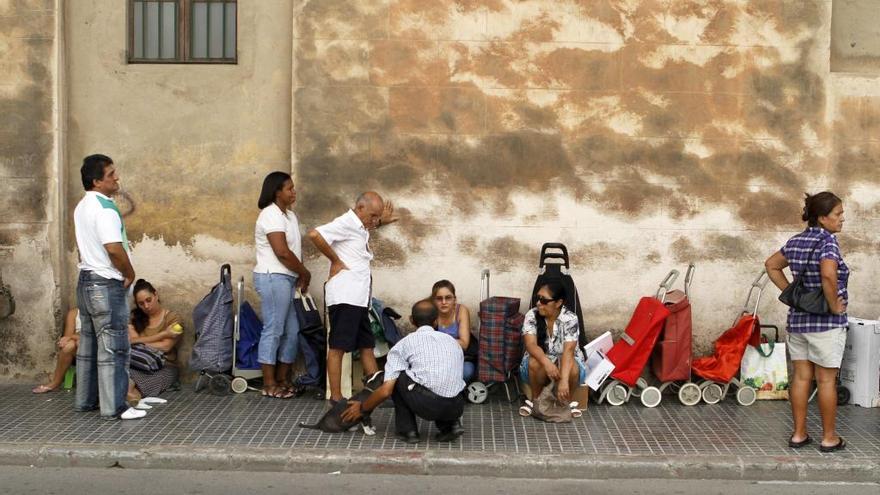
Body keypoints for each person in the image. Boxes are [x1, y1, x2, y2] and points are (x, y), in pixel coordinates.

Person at [765, 191, 849, 453]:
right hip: (825, 324)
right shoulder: (828, 243)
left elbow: (771, 265)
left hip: (798, 322)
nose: (842, 219)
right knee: (825, 381)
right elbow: (827, 275)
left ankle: (799, 434)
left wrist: (792, 296)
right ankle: (828, 438)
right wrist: (834, 304)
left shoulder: (796, 241)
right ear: (823, 218)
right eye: (838, 214)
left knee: (801, 378)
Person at [72, 154, 143, 420]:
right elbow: (114, 247)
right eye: (111, 174)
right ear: (97, 181)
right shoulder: (105, 208)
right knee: (115, 347)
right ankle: (116, 406)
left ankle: (86, 401)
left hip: (86, 280)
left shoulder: (82, 206)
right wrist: (130, 272)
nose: (117, 178)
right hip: (106, 282)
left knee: (88, 347)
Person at [307, 192, 395, 403]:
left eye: (377, 217)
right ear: (360, 208)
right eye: (373, 215)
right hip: (346, 297)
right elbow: (314, 234)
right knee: (338, 347)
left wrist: (380, 221)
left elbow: (366, 227)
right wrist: (335, 261)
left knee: (366, 345)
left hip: (359, 298)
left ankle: (378, 395)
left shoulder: (360, 225)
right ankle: (336, 398)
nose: (374, 221)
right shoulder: (346, 222)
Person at [341, 299, 466, 443]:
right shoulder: (453, 342)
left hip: (428, 405)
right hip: (457, 405)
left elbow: (386, 391)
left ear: (412, 320)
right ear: (436, 320)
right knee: (440, 380)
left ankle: (408, 431)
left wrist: (362, 408)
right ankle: (451, 426)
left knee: (397, 376)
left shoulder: (403, 344)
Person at [254, 172, 311, 399]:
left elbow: (294, 251)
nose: (294, 192)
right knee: (274, 329)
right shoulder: (270, 214)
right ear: (277, 192)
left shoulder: (289, 216)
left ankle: (282, 378)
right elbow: (282, 252)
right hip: (272, 277)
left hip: (286, 277)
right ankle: (268, 383)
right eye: (289, 188)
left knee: (292, 331)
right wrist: (304, 272)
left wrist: (300, 274)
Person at [518, 280, 586, 418]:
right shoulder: (532, 315)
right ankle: (536, 401)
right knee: (534, 361)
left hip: (566, 363)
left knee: (572, 366)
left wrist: (564, 381)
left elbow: (569, 351)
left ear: (558, 303)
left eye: (544, 300)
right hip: (540, 367)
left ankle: (566, 402)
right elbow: (531, 345)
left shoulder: (570, 318)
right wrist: (547, 363)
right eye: (538, 298)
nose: (538, 303)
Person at [126, 279, 183, 404]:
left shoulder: (173, 318)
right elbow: (131, 342)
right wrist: (164, 334)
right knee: (126, 376)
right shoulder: (134, 318)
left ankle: (131, 398)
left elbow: (166, 346)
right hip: (137, 363)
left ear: (156, 295)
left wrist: (139, 343)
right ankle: (129, 397)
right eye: (141, 304)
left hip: (166, 366)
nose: (146, 306)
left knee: (142, 385)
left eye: (148, 300)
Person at [431, 280, 475, 382]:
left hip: (460, 357)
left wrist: (437, 340)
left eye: (448, 298)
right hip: (437, 358)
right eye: (439, 298)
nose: (444, 302)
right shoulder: (431, 312)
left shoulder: (461, 310)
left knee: (467, 371)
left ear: (454, 299)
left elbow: (464, 344)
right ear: (434, 300)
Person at [32, 308, 81, 394]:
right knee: (69, 345)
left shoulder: (102, 312)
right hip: (76, 352)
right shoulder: (74, 313)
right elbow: (67, 337)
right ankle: (56, 382)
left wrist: (77, 337)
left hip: (94, 349)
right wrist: (75, 337)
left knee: (81, 342)